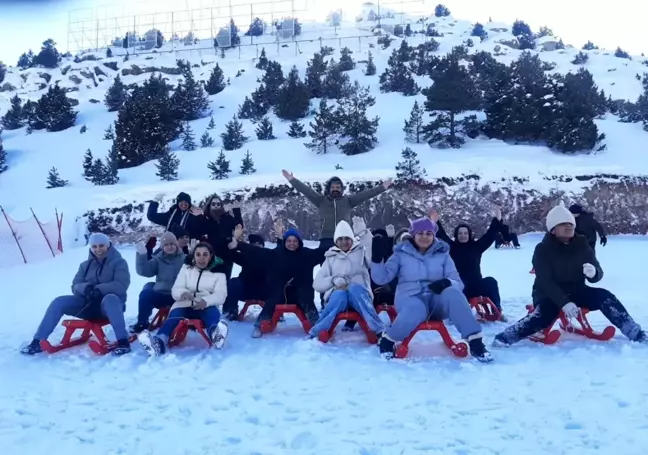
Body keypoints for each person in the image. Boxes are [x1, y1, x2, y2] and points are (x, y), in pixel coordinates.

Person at [493, 205, 646, 346]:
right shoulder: (542, 249)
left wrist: (594, 273)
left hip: (577, 291)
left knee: (605, 296)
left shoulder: (582, 243)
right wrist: (564, 303)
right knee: (544, 314)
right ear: (552, 229)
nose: (569, 226)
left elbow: (597, 270)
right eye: (563, 224)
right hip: (548, 295)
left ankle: (635, 332)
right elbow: (545, 281)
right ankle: (507, 337)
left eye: (571, 224)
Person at [371, 218, 493, 362]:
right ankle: (389, 339)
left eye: (429, 233)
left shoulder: (443, 254)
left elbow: (458, 282)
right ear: (413, 235)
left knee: (453, 293)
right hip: (410, 298)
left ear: (433, 236)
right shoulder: (400, 254)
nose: (424, 237)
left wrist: (447, 282)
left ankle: (476, 342)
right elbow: (381, 278)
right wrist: (377, 260)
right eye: (420, 233)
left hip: (437, 301)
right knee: (415, 308)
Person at [20, 233, 132, 356]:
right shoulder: (85, 265)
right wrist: (87, 289)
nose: (98, 249)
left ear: (108, 245)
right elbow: (75, 285)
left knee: (111, 298)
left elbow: (121, 285)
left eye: (101, 246)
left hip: (109, 307)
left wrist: (99, 289)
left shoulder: (119, 263)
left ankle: (123, 341)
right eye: (94, 246)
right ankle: (37, 341)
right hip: (87, 305)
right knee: (59, 302)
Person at [228, 220, 329, 338]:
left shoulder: (306, 254)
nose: (292, 243)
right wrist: (239, 244)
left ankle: (317, 325)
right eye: (289, 241)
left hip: (301, 293)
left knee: (307, 301)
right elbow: (257, 252)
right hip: (280, 293)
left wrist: (340, 244)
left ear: (299, 242)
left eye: (295, 241)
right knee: (272, 300)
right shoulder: (277, 254)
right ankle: (259, 325)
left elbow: (322, 251)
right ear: (285, 242)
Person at [138, 242, 230, 355]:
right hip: (184, 303)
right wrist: (182, 293)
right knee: (172, 319)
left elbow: (221, 294)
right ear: (194, 256)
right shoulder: (186, 268)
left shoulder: (219, 272)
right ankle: (159, 342)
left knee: (212, 315)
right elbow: (176, 288)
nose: (201, 258)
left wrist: (206, 301)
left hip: (206, 305)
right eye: (198, 254)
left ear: (210, 256)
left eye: (205, 254)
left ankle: (216, 336)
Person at [310, 218, 385, 338]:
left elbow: (373, 257)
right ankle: (318, 331)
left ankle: (379, 330)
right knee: (339, 294)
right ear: (336, 240)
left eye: (347, 238)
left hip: (360, 295)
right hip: (338, 297)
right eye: (340, 239)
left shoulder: (361, 251)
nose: (344, 242)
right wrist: (333, 280)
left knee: (355, 288)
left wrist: (365, 235)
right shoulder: (331, 257)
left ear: (351, 238)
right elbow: (317, 283)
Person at [281, 170, 393, 248]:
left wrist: (382, 187)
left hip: (345, 239)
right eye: (333, 187)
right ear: (329, 189)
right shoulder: (320, 200)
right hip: (326, 239)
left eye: (338, 187)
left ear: (342, 190)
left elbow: (367, 194)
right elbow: (305, 190)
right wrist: (292, 179)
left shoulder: (348, 201)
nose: (335, 189)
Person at [432, 207, 506, 319]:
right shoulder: (452, 247)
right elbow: (441, 235)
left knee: (491, 281)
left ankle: (498, 310)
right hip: (460, 288)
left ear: (469, 234)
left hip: (476, 285)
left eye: (465, 233)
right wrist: (435, 222)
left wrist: (497, 219)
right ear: (456, 235)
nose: (463, 235)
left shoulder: (477, 247)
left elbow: (490, 235)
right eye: (460, 233)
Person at [130, 232, 186, 333]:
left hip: (178, 297)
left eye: (172, 244)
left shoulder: (184, 259)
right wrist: (142, 256)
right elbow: (145, 271)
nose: (169, 247)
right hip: (161, 294)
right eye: (166, 245)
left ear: (176, 245)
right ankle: (142, 322)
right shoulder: (158, 259)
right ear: (162, 247)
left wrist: (194, 254)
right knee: (146, 294)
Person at [197, 195, 243, 282]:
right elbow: (198, 232)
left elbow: (239, 227)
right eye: (213, 204)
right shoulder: (205, 220)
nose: (216, 206)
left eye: (218, 204)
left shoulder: (227, 218)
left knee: (224, 283)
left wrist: (237, 211)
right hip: (210, 258)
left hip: (227, 256)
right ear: (209, 206)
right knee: (209, 283)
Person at [223, 232, 268, 320]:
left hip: (264, 292)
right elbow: (231, 254)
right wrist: (232, 243)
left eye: (259, 244)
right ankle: (231, 311)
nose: (256, 246)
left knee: (277, 283)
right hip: (246, 290)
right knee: (233, 282)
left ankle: (274, 312)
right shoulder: (246, 257)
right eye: (254, 244)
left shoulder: (268, 256)